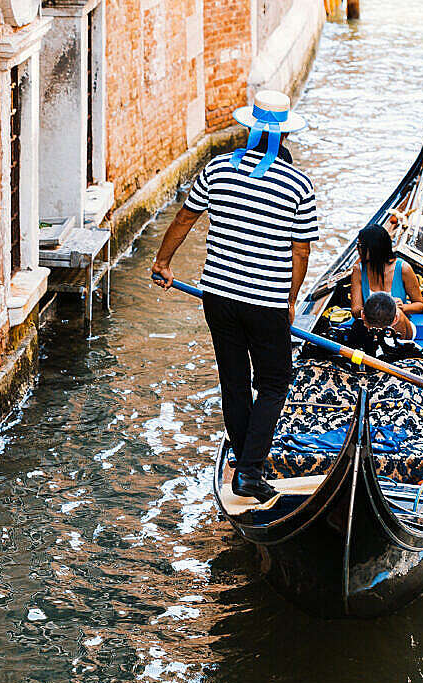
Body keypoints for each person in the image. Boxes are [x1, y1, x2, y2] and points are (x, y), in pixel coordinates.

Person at [151, 90, 316, 503]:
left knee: (235, 381)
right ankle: (250, 471)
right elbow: (301, 251)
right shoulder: (299, 184)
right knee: (276, 383)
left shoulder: (217, 169)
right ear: (284, 135)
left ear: (249, 128)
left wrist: (163, 263)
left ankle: (244, 463)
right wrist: (291, 298)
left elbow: (185, 217)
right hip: (266, 301)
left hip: (218, 295)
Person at [350, 224, 423, 339]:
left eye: (360, 245)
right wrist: (373, 311)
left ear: (373, 248)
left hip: (400, 328)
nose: (357, 249)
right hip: (370, 329)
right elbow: (356, 311)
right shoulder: (358, 270)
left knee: (397, 313)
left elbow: (420, 305)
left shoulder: (403, 268)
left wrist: (402, 307)